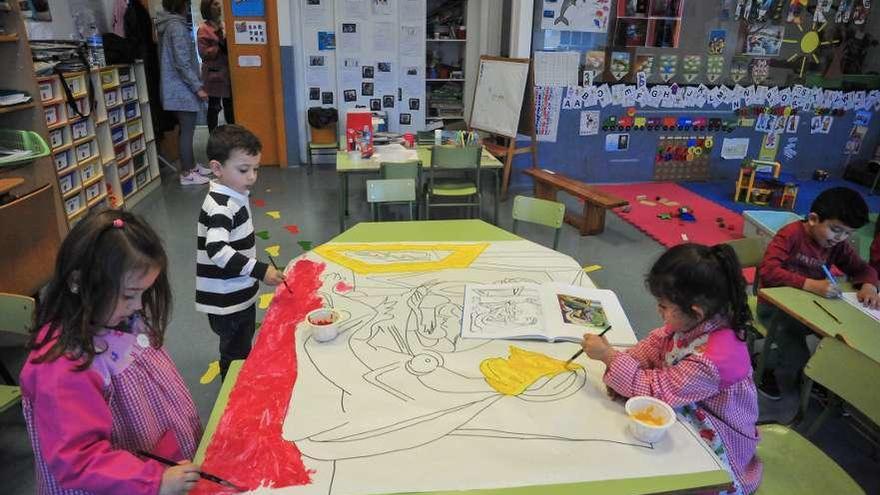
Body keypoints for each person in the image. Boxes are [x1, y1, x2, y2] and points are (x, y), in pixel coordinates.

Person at [20, 210, 202, 495]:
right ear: (79, 282)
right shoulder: (62, 366)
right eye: (130, 294)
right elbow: (79, 459)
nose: (139, 305)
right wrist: (153, 481)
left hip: (156, 463)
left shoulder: (120, 318)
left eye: (145, 292)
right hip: (121, 484)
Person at [581, 243, 761, 494]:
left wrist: (610, 358)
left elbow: (659, 391)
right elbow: (656, 344)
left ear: (696, 312)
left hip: (720, 435)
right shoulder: (695, 322)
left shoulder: (714, 359)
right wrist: (628, 363)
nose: (658, 310)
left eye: (663, 306)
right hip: (689, 403)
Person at [757, 186, 879, 400]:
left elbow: (864, 269)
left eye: (848, 233)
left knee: (843, 341)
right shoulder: (791, 235)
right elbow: (768, 271)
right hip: (774, 308)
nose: (840, 238)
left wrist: (870, 284)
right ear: (813, 219)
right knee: (797, 352)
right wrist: (811, 285)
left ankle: (817, 373)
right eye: (835, 229)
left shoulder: (837, 245)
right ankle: (765, 368)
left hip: (812, 307)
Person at [196, 125, 285, 379]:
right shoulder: (222, 206)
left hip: (236, 290)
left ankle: (238, 378)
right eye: (244, 170)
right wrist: (259, 270)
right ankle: (233, 392)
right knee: (235, 353)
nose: (252, 177)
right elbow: (217, 250)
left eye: (255, 169)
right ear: (217, 168)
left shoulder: (233, 193)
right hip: (227, 298)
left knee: (239, 344)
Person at [158, 0, 211, 186]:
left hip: (176, 89)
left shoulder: (170, 26)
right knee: (187, 131)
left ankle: (192, 166)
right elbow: (182, 63)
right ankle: (187, 173)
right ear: (183, 6)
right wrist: (198, 87)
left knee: (187, 130)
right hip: (181, 90)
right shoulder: (176, 28)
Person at [197, 0, 234, 133]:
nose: (219, 7)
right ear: (207, 8)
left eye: (219, 4)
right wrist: (219, 45)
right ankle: (213, 136)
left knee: (230, 107)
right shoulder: (203, 29)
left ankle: (233, 136)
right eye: (215, 4)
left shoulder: (225, 25)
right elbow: (203, 53)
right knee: (214, 108)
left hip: (227, 74)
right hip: (213, 75)